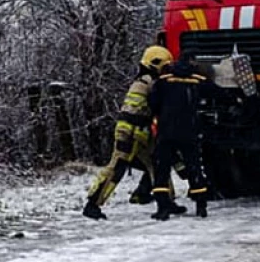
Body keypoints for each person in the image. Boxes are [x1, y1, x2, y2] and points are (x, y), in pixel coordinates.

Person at [82, 45, 170, 220]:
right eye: (165, 67)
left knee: (157, 164)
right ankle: (92, 204)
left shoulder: (143, 80)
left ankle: (165, 202)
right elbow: (150, 107)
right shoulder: (150, 82)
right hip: (131, 132)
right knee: (117, 167)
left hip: (137, 131)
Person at [148, 54, 211, 219]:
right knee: (194, 167)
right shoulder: (198, 81)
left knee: (162, 169)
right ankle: (201, 206)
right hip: (189, 132)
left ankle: (163, 208)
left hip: (166, 132)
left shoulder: (163, 81)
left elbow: (153, 103)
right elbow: (216, 95)